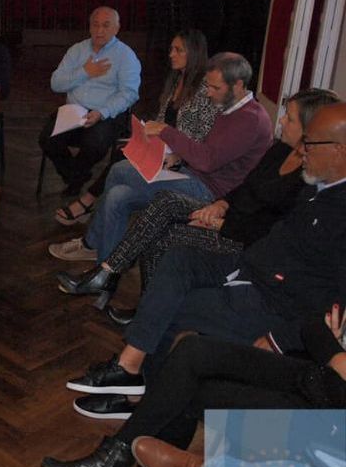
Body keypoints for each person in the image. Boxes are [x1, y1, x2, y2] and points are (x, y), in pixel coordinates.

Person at [63, 102, 346, 411]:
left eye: (311, 140)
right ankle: (130, 368)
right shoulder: (313, 182)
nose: (304, 146)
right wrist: (223, 208)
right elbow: (257, 206)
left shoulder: (327, 198)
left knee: (173, 303)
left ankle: (134, 387)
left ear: (339, 150)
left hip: (264, 285)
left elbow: (332, 300)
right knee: (179, 255)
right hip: (249, 262)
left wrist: (281, 338)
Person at [56, 88, 340, 332]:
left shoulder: (310, 176)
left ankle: (142, 305)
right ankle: (112, 275)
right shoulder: (280, 149)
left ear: (309, 128)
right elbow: (245, 186)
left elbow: (272, 230)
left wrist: (221, 224)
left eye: (289, 118)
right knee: (166, 200)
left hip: (242, 238)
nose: (282, 121)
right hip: (229, 215)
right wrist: (221, 204)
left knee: (163, 237)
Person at [41, 308, 346, 467]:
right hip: (316, 376)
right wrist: (337, 355)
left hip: (325, 420)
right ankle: (119, 465)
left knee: (190, 391)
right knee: (192, 349)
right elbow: (314, 324)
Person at [51, 52, 273, 264]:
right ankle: (105, 265)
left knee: (119, 171)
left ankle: (96, 251)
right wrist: (177, 156)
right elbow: (210, 151)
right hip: (195, 177)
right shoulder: (231, 107)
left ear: (239, 85)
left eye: (215, 87)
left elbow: (208, 160)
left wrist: (166, 131)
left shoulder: (250, 120)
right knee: (117, 195)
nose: (208, 93)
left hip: (210, 192)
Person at [55, 29, 217, 225]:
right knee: (124, 150)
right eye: (171, 49)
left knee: (121, 158)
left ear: (194, 53)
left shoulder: (205, 89)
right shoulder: (176, 79)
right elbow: (162, 118)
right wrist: (148, 134)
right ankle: (99, 207)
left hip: (180, 156)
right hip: (164, 144)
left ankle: (88, 202)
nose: (171, 54)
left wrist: (170, 147)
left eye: (178, 50)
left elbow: (202, 135)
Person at [39, 6, 141, 197]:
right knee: (47, 139)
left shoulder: (126, 56)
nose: (100, 30)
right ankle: (77, 176)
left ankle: (74, 179)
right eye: (95, 25)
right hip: (73, 112)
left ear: (116, 29)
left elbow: (129, 93)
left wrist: (102, 112)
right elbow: (56, 83)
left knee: (94, 144)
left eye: (106, 25)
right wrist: (85, 72)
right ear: (89, 26)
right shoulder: (77, 50)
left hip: (106, 114)